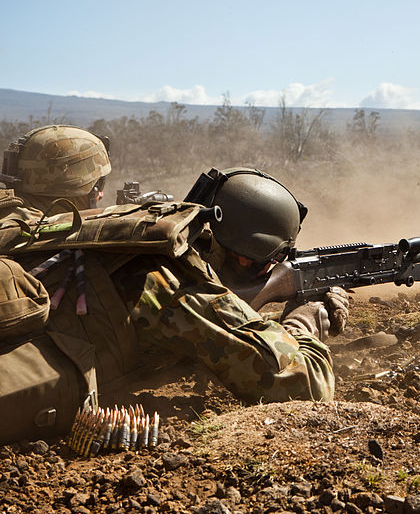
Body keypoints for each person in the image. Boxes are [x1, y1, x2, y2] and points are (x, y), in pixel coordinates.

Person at [0, 150, 347, 444]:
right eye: (267, 263)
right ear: (243, 257)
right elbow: (306, 386)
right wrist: (305, 321)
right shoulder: (172, 283)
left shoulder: (57, 226)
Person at [1, 124, 111, 213]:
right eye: (98, 183)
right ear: (73, 187)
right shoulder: (49, 234)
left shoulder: (8, 210)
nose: (101, 195)